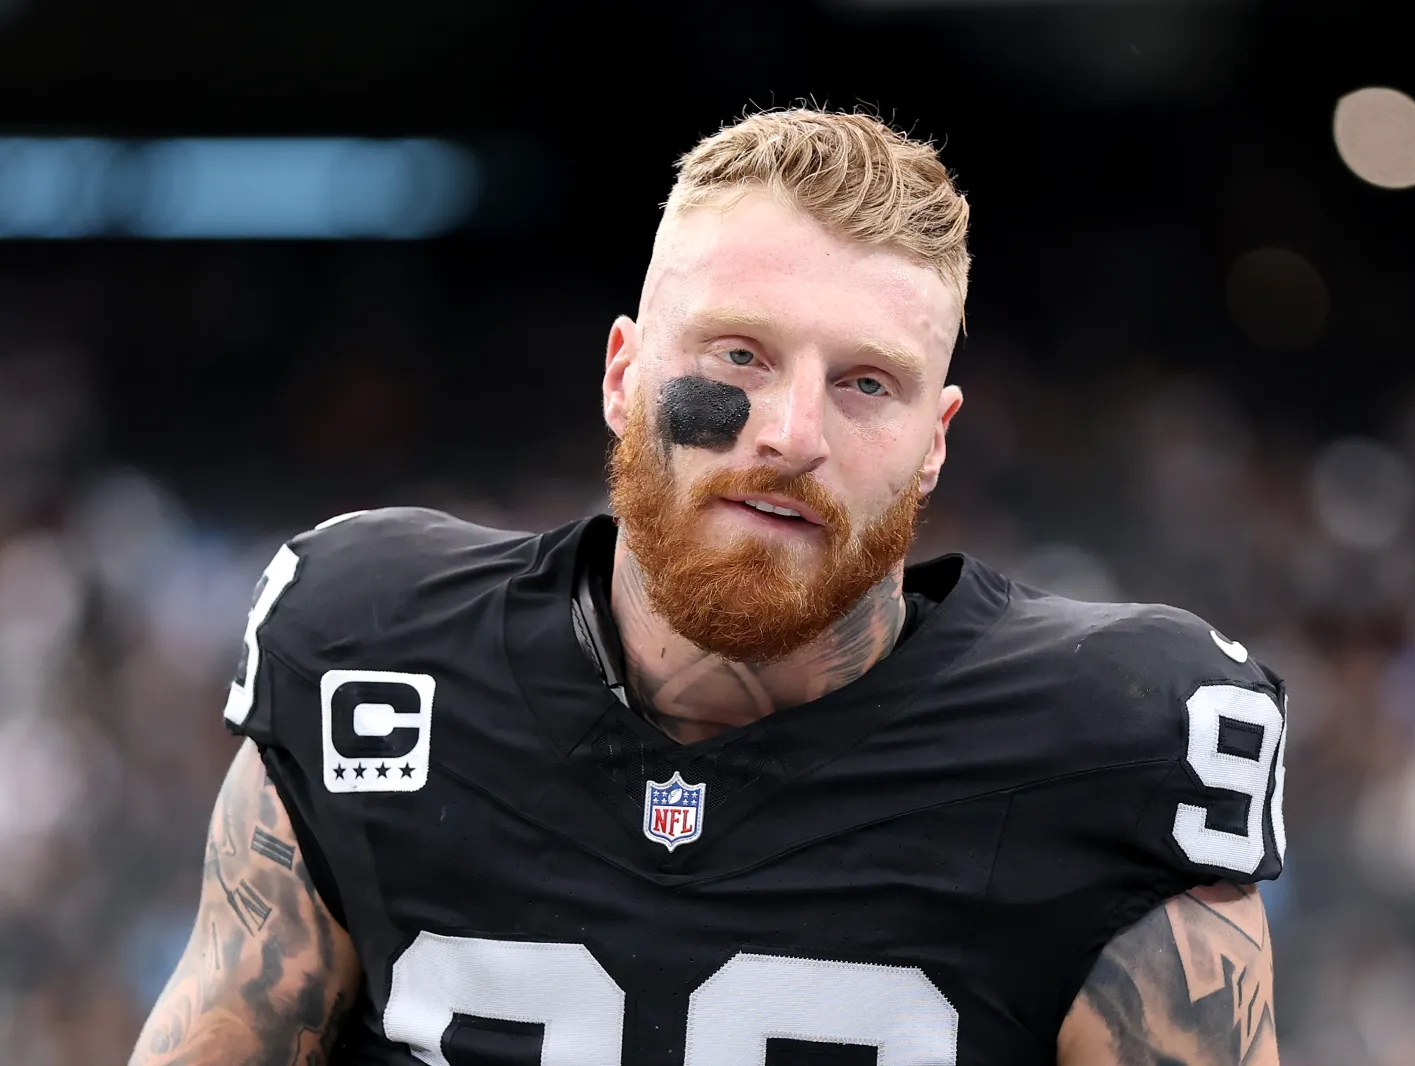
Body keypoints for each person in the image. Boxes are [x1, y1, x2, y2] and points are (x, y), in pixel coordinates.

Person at [130, 107, 1287, 1066]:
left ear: (934, 443)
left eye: (866, 384)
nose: (791, 433)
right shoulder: (375, 648)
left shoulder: (1113, 742)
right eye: (739, 354)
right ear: (622, 374)